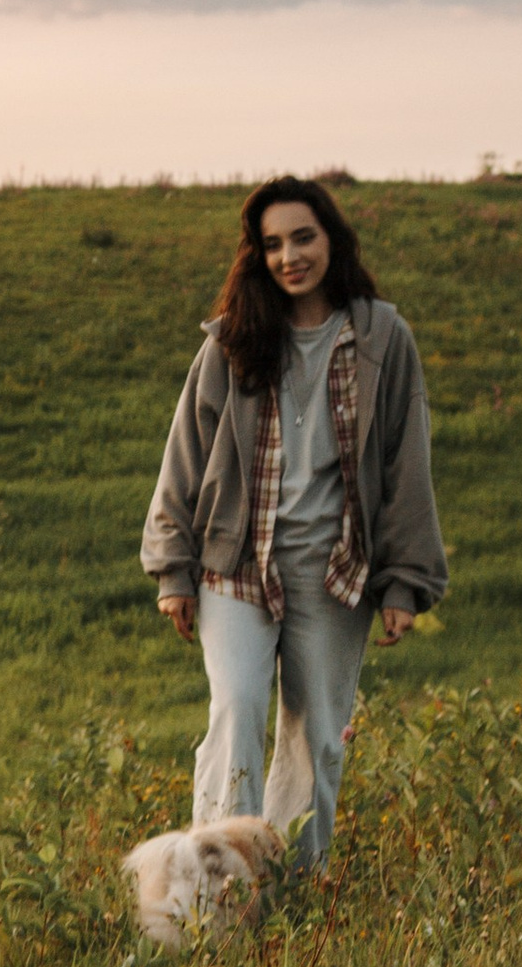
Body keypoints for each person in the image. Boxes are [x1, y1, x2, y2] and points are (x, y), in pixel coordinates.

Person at [140, 177, 447, 867]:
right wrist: (172, 569)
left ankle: (292, 887)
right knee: (238, 708)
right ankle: (217, 886)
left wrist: (405, 582)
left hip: (336, 572)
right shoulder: (233, 340)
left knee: (318, 740)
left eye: (303, 238)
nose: (290, 257)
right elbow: (186, 454)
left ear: (332, 239)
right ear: (258, 254)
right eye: (273, 244)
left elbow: (407, 463)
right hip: (235, 565)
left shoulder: (381, 338)